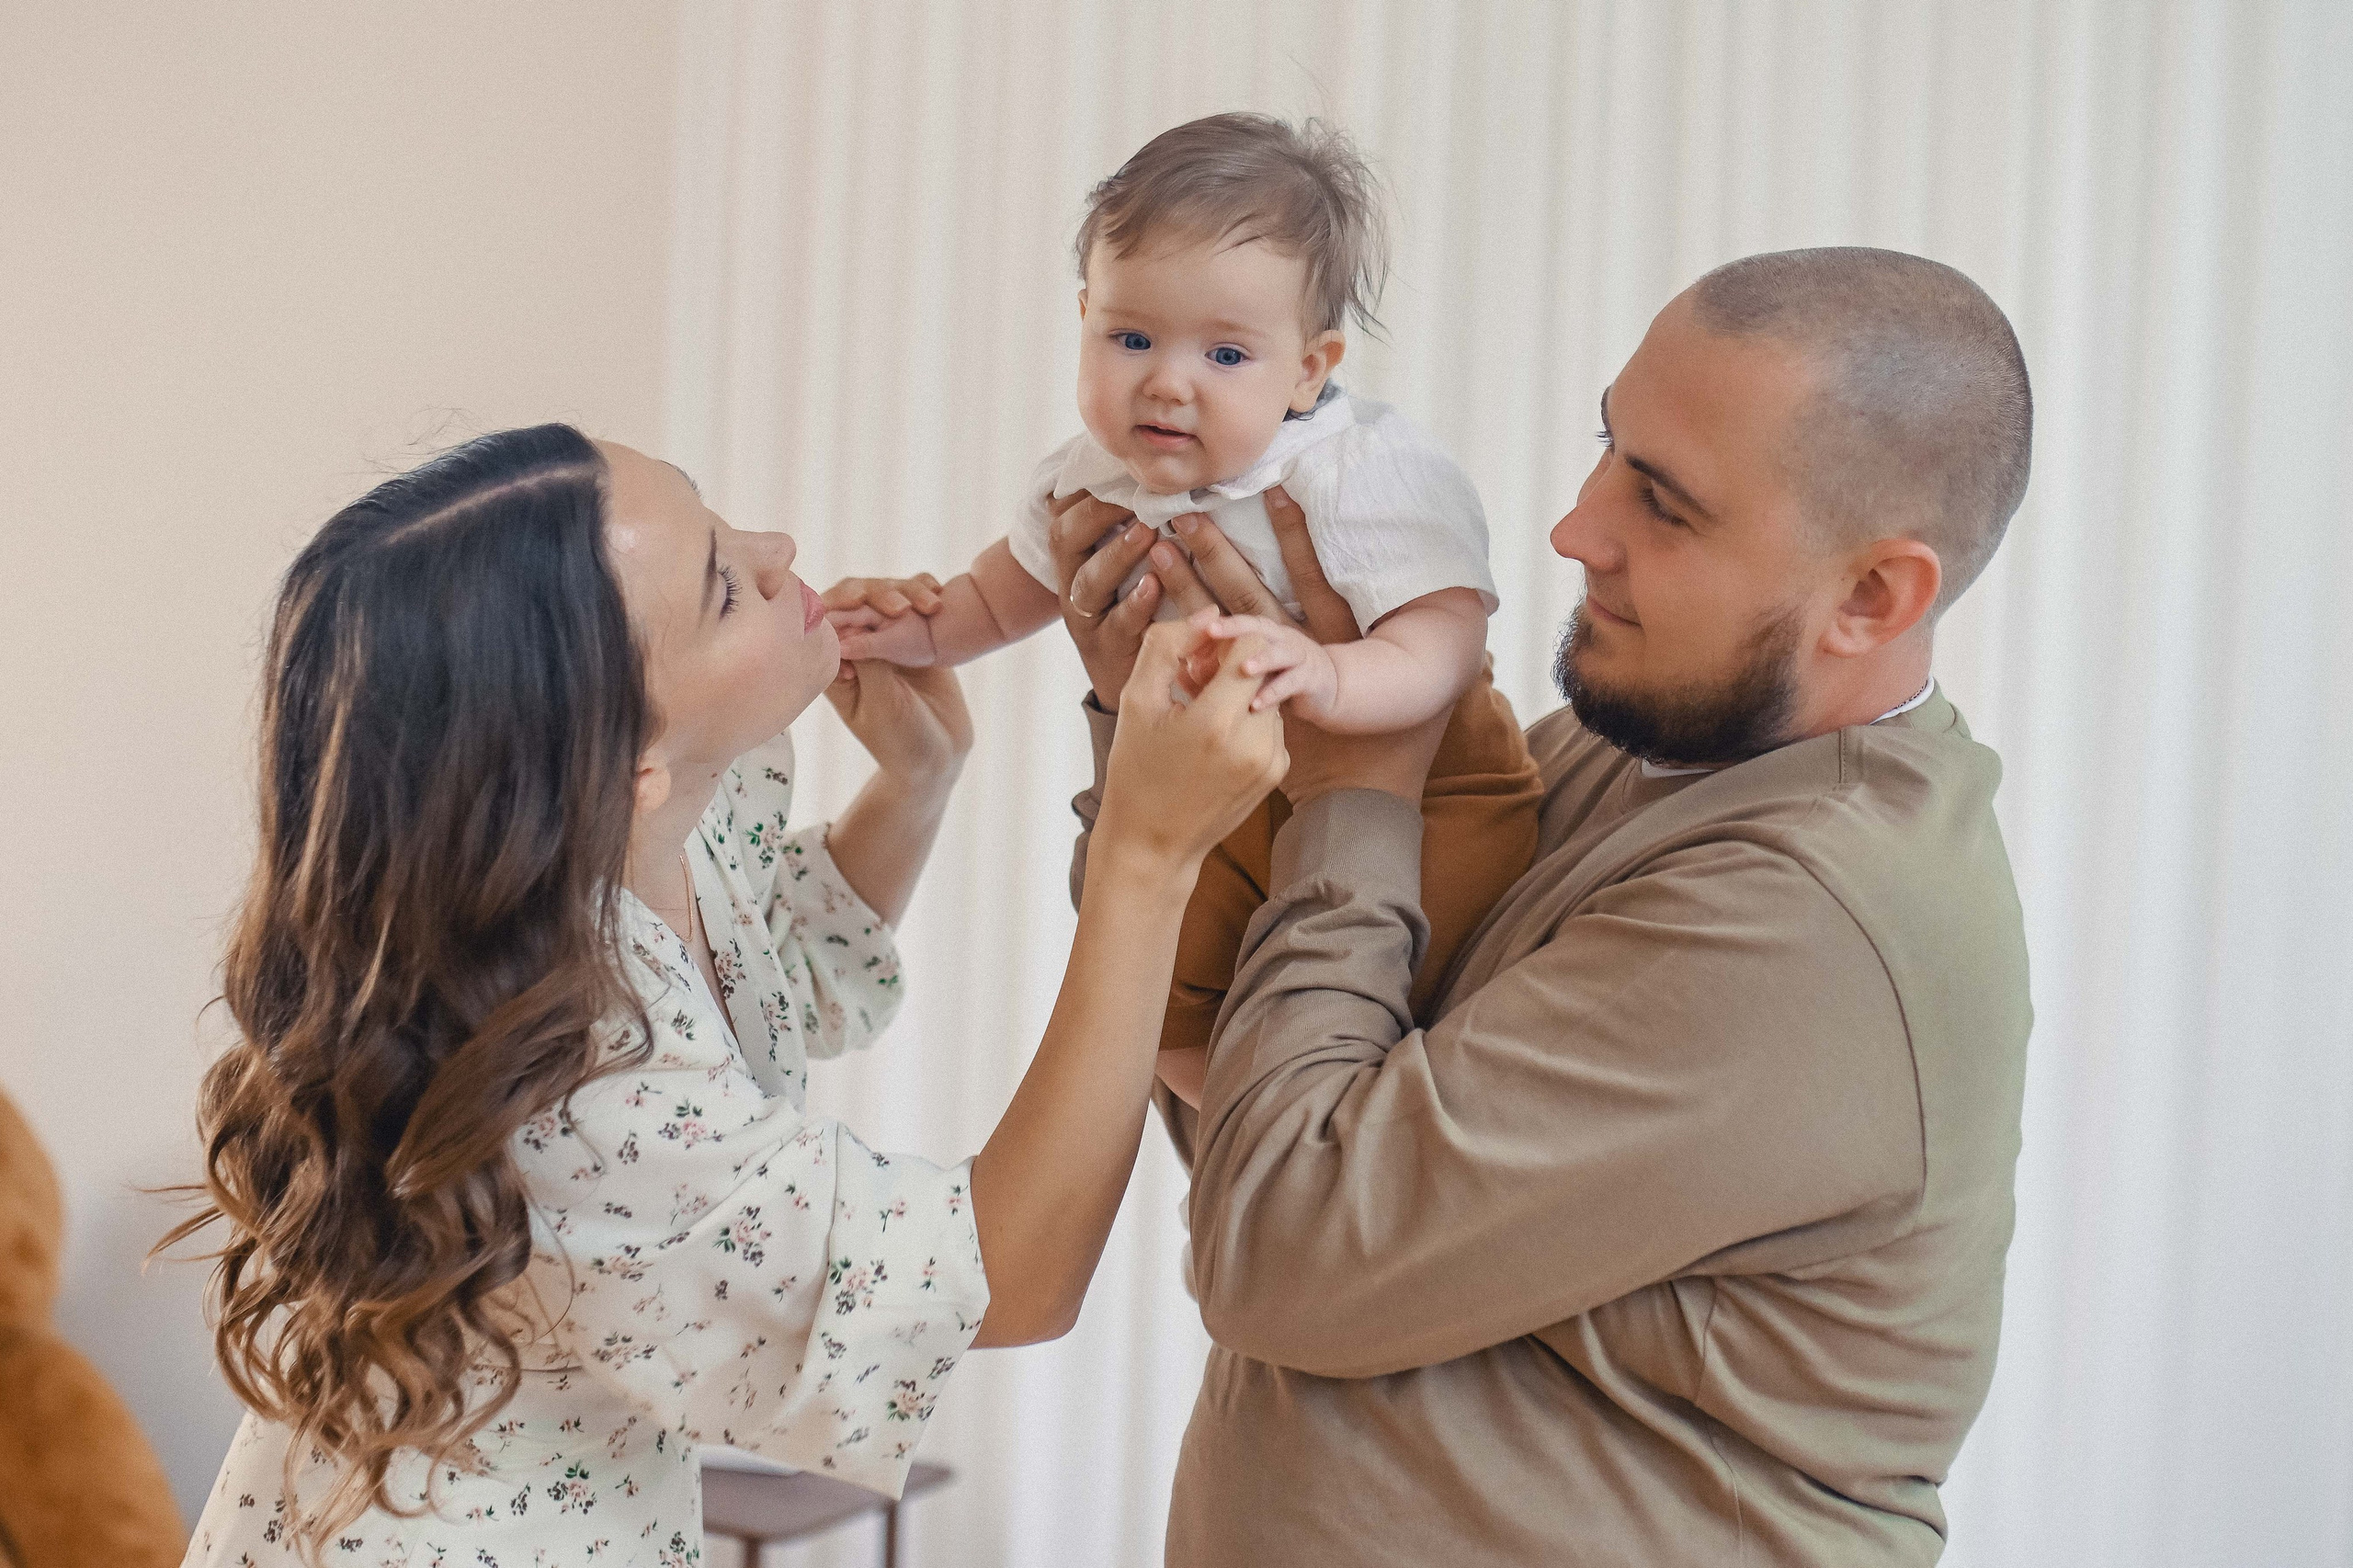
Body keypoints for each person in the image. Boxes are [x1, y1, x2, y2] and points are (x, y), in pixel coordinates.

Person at [1063, 246, 2037, 1564]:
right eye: (1606, 445)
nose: (1577, 529)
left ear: (1872, 596)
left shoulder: (1808, 911)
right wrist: (1168, 731)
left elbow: (1280, 1251)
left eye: (1666, 504)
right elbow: (1251, 1109)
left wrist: (1356, 791)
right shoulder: (1629, 747)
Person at [166, 425, 1286, 1565]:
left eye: (720, 522)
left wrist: (917, 779)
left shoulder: (628, 841)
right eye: (720, 590)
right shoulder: (573, 1083)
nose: (777, 551)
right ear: (626, 766)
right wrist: (1146, 858)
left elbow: (766, 984)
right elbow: (1012, 1274)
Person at [824, 112, 1540, 1106]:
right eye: (1130, 337)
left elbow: (1446, 635)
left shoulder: (1360, 472)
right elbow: (1006, 591)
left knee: (1457, 915)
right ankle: (1244, 1113)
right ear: (1083, 317)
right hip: (1214, 790)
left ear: (1309, 369)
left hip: (1424, 785)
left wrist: (1332, 675)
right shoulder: (1091, 475)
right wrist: (918, 626)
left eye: (1226, 356)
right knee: (1152, 965)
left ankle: (1385, 1098)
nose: (1166, 381)